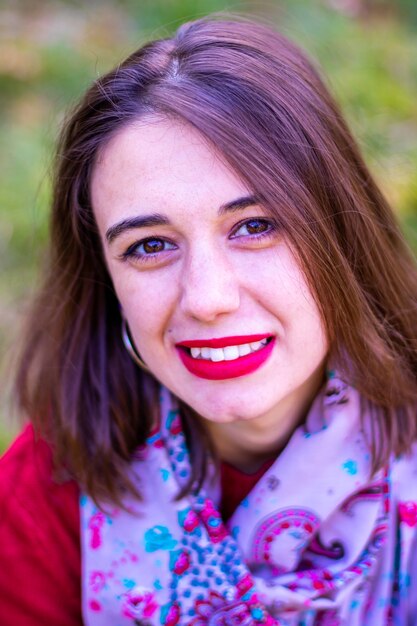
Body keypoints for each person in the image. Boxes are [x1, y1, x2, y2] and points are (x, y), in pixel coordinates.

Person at [1, 14, 417, 626]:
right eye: (148, 245)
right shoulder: (51, 488)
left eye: (256, 226)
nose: (207, 298)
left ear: (340, 230)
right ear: (105, 279)